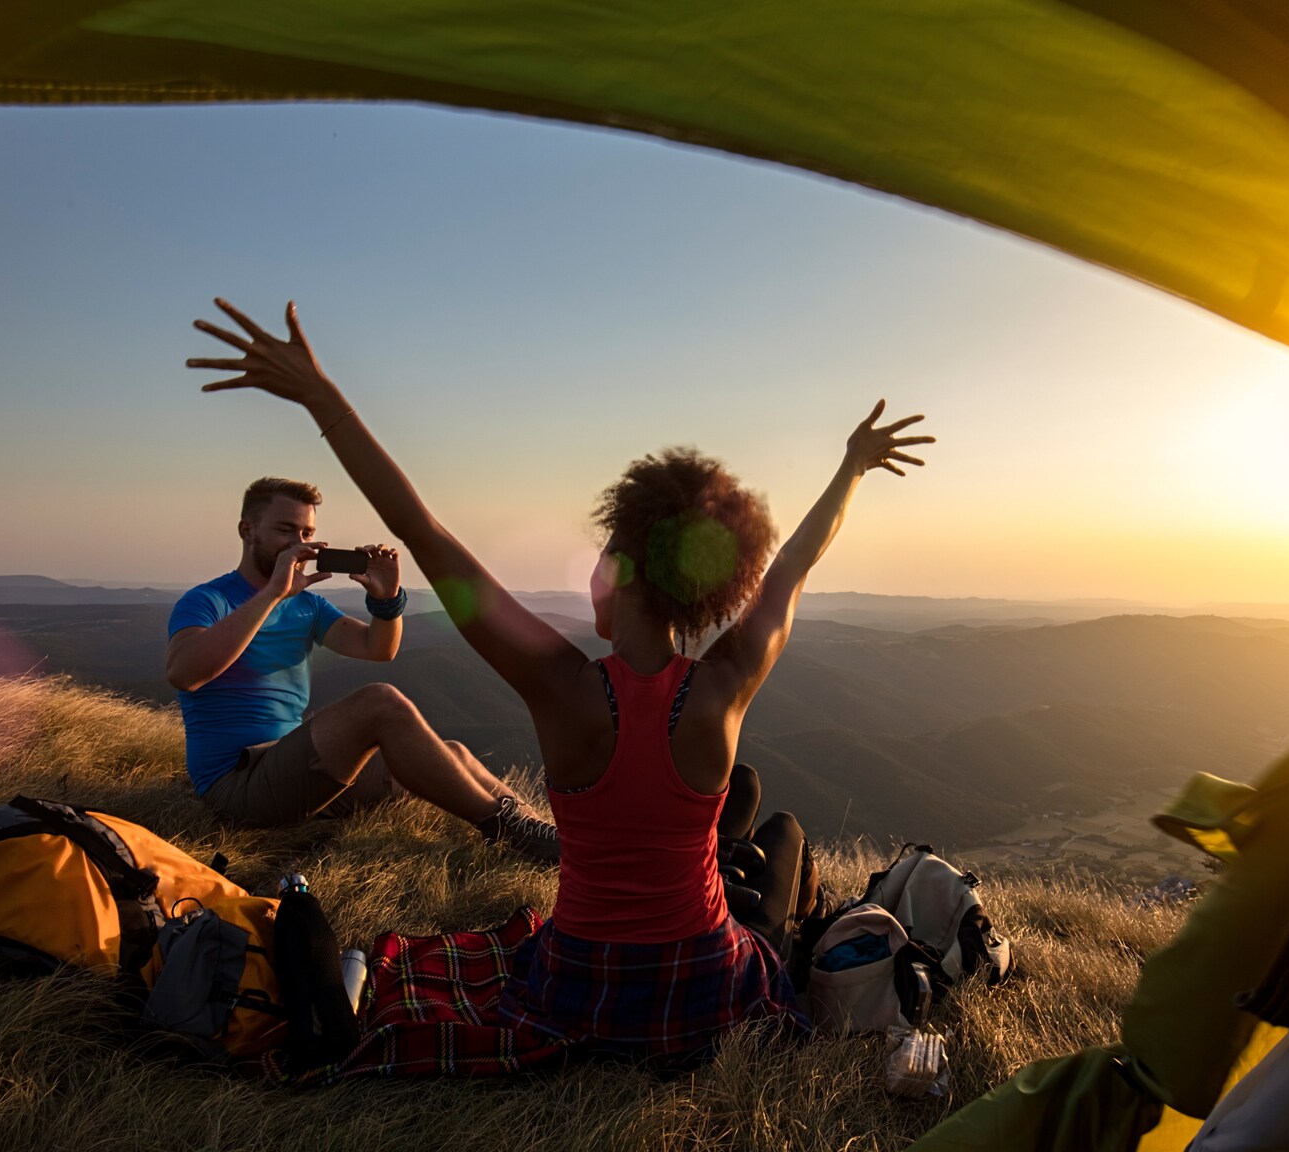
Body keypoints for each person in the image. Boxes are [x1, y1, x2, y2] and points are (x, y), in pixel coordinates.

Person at [187, 298, 932, 1063]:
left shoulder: (559, 684)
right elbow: (793, 565)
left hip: (581, 981)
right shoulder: (726, 683)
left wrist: (321, 397)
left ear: (620, 573)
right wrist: (852, 467)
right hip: (701, 980)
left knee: (750, 822)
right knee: (781, 832)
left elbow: (421, 530)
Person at [163, 475, 560, 861]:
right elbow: (184, 674)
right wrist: (271, 595)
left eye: (307, 532)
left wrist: (387, 601)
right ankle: (505, 829)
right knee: (379, 702)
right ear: (247, 530)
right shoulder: (208, 600)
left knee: (451, 754)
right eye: (286, 530)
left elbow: (378, 648)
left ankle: (545, 834)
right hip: (236, 786)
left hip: (293, 770)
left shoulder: (307, 605)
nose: (300, 543)